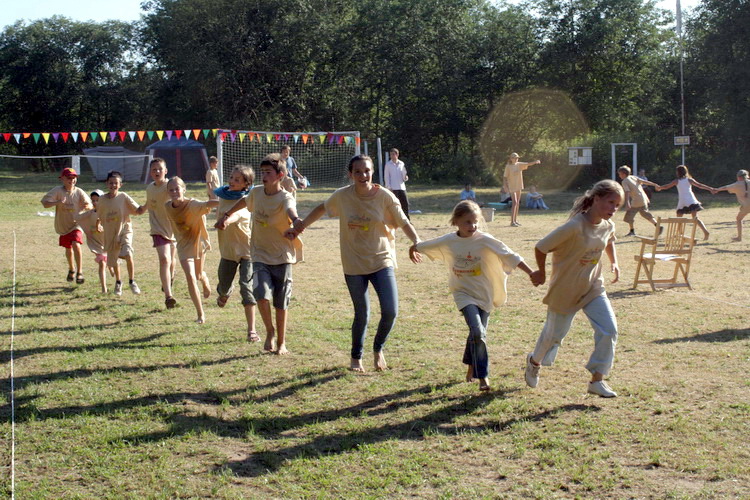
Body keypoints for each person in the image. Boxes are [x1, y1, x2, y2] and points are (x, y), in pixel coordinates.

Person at [288, 155, 422, 372]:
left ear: (372, 172)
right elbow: (322, 208)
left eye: (367, 171)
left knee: (390, 311)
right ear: (350, 174)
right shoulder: (342, 196)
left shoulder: (385, 196)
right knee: (362, 313)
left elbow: (404, 222)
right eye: (357, 172)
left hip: (381, 259)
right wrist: (300, 226)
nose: (363, 175)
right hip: (353, 263)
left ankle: (378, 348)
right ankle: (356, 357)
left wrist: (416, 241)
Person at [409, 200, 535, 391]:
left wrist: (531, 272)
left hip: (485, 294)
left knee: (477, 334)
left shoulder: (485, 240)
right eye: (467, 222)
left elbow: (510, 255)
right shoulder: (449, 240)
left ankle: (471, 365)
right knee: (477, 331)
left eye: (475, 221)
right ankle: (482, 376)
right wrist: (414, 247)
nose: (472, 226)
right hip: (463, 293)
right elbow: (427, 245)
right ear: (456, 221)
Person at [524, 179, 624, 398]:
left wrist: (614, 262)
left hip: (593, 287)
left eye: (617, 205)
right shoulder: (575, 226)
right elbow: (541, 247)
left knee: (609, 330)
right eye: (610, 202)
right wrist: (541, 272)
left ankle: (597, 380)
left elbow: (609, 240)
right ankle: (534, 362)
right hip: (566, 289)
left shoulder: (608, 225)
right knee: (553, 337)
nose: (614, 209)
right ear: (596, 198)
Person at [219, 154, 303, 354]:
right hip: (259, 255)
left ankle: (281, 342)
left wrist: (295, 220)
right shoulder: (256, 192)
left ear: (280, 175)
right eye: (262, 172)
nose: (264, 176)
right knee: (261, 295)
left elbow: (291, 210)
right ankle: (269, 331)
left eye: (268, 172)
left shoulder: (285, 197)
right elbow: (244, 202)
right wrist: (227, 214)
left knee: (281, 303)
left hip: (282, 256)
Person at [213, 165, 259, 342]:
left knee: (247, 288)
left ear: (246, 184)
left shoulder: (247, 200)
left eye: (237, 180)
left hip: (247, 252)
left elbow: (238, 215)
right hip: (227, 252)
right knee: (223, 286)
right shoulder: (222, 196)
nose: (232, 181)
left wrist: (226, 220)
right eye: (232, 177)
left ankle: (251, 330)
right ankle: (224, 293)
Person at [165, 176, 218, 324]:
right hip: (183, 245)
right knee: (190, 276)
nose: (174, 192)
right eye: (171, 190)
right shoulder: (167, 207)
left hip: (198, 242)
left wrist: (226, 201)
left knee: (198, 275)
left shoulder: (192, 204)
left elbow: (208, 204)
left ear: (184, 189)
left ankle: (204, 277)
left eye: (177, 189)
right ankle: (200, 314)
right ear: (167, 192)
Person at [97, 171, 147, 296]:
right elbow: (99, 214)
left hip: (124, 229)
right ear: (106, 183)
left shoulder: (123, 197)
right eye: (111, 183)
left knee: (128, 253)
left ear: (120, 185)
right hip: (110, 233)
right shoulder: (102, 199)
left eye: (116, 183)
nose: (113, 185)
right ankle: (118, 282)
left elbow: (138, 210)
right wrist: (98, 224)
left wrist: (148, 204)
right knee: (114, 261)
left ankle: (132, 281)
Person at [41, 167, 92, 285]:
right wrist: (57, 202)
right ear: (62, 179)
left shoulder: (79, 192)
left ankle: (80, 272)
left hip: (77, 224)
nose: (72, 180)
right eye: (69, 177)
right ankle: (71, 269)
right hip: (63, 227)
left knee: (76, 243)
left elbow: (90, 205)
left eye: (74, 178)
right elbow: (45, 203)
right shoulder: (57, 190)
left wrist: (86, 206)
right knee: (68, 248)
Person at [145, 158, 178, 309]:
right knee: (165, 259)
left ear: (165, 171)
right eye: (154, 169)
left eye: (160, 169)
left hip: (173, 229)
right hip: (157, 229)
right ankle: (168, 297)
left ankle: (169, 279)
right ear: (150, 172)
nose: (157, 171)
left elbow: (180, 198)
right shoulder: (149, 188)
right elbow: (149, 203)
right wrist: (140, 209)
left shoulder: (170, 186)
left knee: (171, 261)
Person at [656, 165, 714, 241]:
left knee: (682, 218)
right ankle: (680, 234)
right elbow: (700, 185)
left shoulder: (678, 181)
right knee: (688, 218)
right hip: (687, 200)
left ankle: (705, 232)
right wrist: (710, 189)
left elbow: (667, 186)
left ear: (678, 172)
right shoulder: (688, 180)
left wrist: (659, 187)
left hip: (687, 200)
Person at [75, 189, 107, 293]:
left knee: (112, 264)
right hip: (96, 244)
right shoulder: (90, 213)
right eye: (93, 200)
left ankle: (115, 277)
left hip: (108, 242)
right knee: (102, 264)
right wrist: (80, 208)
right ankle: (104, 288)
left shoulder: (107, 212)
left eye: (97, 200)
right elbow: (77, 218)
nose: (95, 202)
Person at [617, 165, 661, 236]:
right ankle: (658, 226)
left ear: (623, 174)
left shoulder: (624, 181)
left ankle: (632, 231)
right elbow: (644, 181)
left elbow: (627, 191)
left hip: (636, 201)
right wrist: (654, 184)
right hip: (644, 199)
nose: (619, 176)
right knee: (645, 214)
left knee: (629, 216)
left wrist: (627, 202)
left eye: (619, 174)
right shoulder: (633, 177)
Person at [503, 152, 541, 227]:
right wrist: (505, 186)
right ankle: (512, 222)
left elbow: (528, 164)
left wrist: (535, 162)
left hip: (519, 186)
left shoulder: (519, 164)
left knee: (517, 203)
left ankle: (515, 220)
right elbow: (505, 177)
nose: (516, 159)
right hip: (512, 186)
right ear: (511, 158)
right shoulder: (508, 166)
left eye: (517, 158)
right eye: (514, 158)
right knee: (514, 202)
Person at [713, 169, 750, 241]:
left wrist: (716, 189)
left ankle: (739, 237)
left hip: (746, 206)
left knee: (739, 219)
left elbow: (726, 187)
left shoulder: (737, 184)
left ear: (738, 177)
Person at [384, 148, 410, 220]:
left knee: (405, 204)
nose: (392, 156)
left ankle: (407, 220)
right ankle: (396, 220)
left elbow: (404, 175)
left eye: (393, 154)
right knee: (395, 205)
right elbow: (386, 177)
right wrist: (388, 188)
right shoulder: (388, 165)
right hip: (393, 188)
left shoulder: (401, 163)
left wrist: (406, 177)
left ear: (397, 154)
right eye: (391, 155)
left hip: (402, 187)